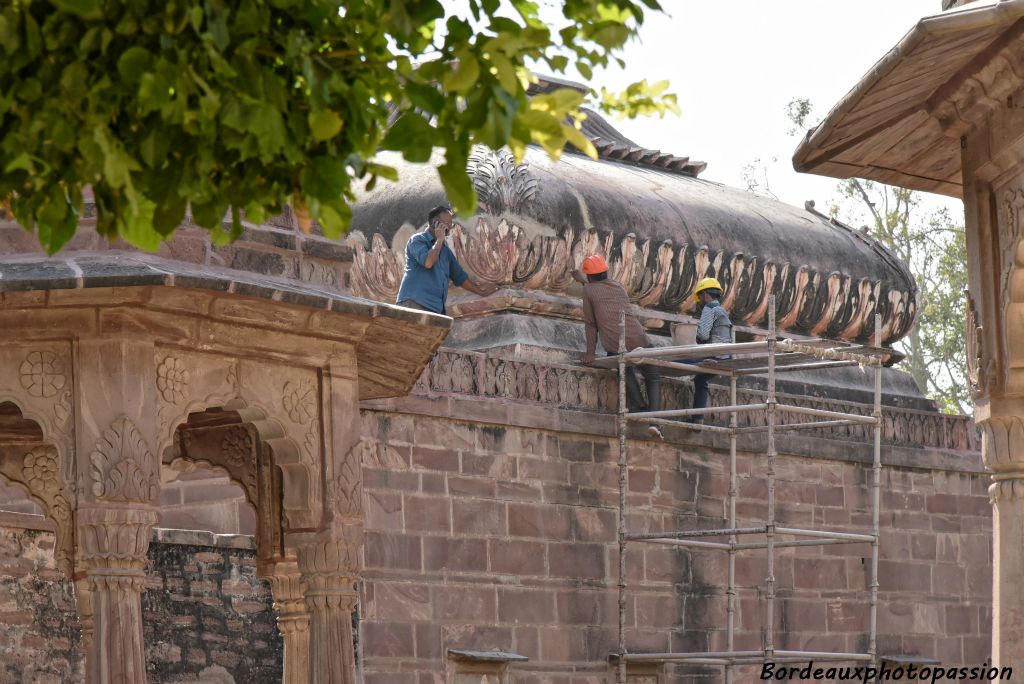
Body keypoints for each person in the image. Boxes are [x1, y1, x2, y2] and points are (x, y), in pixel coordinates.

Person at [573, 255, 664, 440]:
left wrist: (590, 353)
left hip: (616, 345)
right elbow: (599, 291)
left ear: (589, 278)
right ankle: (654, 420)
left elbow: (591, 323)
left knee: (623, 367)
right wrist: (583, 280)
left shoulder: (588, 290)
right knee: (653, 376)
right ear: (606, 272)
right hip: (640, 340)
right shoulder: (618, 287)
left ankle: (639, 405)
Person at [395, 206, 497, 314]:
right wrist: (439, 240)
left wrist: (482, 292)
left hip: (435, 308)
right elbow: (428, 262)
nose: (449, 227)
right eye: (447, 223)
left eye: (450, 224)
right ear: (435, 223)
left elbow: (460, 278)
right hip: (415, 303)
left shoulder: (445, 251)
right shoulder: (418, 240)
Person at [690, 276, 733, 424]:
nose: (700, 300)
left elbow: (703, 335)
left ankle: (697, 419)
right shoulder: (722, 311)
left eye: (700, 296)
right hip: (726, 357)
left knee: (676, 361)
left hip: (714, 356)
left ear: (705, 294)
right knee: (700, 379)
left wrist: (695, 336)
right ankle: (698, 420)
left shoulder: (709, 308)